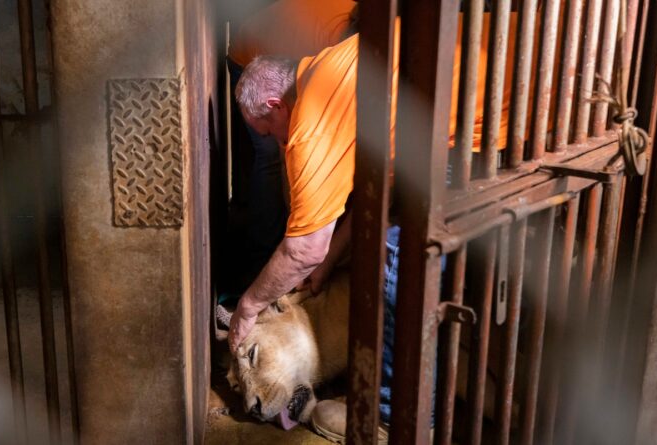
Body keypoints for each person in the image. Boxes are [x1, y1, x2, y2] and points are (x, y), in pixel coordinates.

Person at [229, 9, 526, 441]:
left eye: (270, 129)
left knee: (396, 261)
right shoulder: (333, 66)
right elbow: (383, 190)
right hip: (523, 96)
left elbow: (302, 248)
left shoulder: (311, 115)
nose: (278, 141)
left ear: (276, 103)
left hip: (495, 128)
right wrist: (332, 255)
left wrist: (249, 307)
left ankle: (391, 416)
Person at [219, 0, 357, 302]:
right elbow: (292, 157)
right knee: (272, 157)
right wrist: (295, 244)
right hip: (251, 57)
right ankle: (261, 261)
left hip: (290, 65)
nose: (282, 141)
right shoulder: (347, 48)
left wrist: (316, 248)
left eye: (270, 129)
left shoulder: (341, 61)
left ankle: (286, 250)